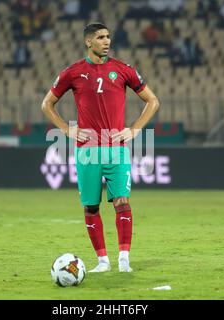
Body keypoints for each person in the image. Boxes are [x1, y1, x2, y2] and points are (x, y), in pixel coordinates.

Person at [41, 23, 160, 273]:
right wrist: (66, 129)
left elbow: (152, 100)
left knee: (122, 202)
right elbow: (47, 104)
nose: (106, 41)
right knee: (91, 206)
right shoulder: (72, 73)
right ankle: (103, 261)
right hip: (87, 150)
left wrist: (134, 129)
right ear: (88, 42)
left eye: (108, 37)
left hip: (116, 148)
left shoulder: (123, 70)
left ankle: (124, 260)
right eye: (100, 37)